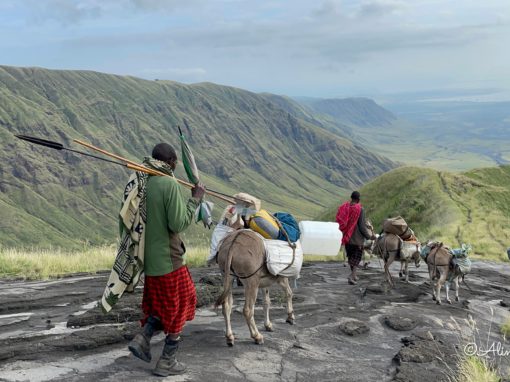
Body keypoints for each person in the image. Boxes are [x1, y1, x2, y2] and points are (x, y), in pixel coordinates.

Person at [127, 142, 205, 377]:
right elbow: (178, 223)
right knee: (183, 303)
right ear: (171, 162)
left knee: (161, 304)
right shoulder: (168, 183)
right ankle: (167, 361)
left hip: (150, 261)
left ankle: (144, 336)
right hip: (170, 261)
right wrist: (195, 199)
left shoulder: (146, 182)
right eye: (175, 162)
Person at [337, 191, 376, 285]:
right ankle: (351, 276)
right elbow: (362, 226)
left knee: (351, 258)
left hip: (346, 238)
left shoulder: (345, 208)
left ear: (351, 198)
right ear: (358, 200)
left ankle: (354, 275)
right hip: (356, 239)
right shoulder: (360, 209)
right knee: (357, 258)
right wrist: (370, 237)